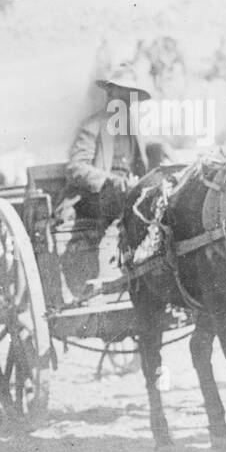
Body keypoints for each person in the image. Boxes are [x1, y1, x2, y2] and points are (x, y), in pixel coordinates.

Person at [59, 63, 154, 292]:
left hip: (127, 195)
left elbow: (143, 168)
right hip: (92, 199)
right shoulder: (92, 126)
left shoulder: (135, 130)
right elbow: (76, 168)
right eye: (122, 95)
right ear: (110, 95)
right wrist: (110, 180)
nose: (126, 102)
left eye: (131, 97)